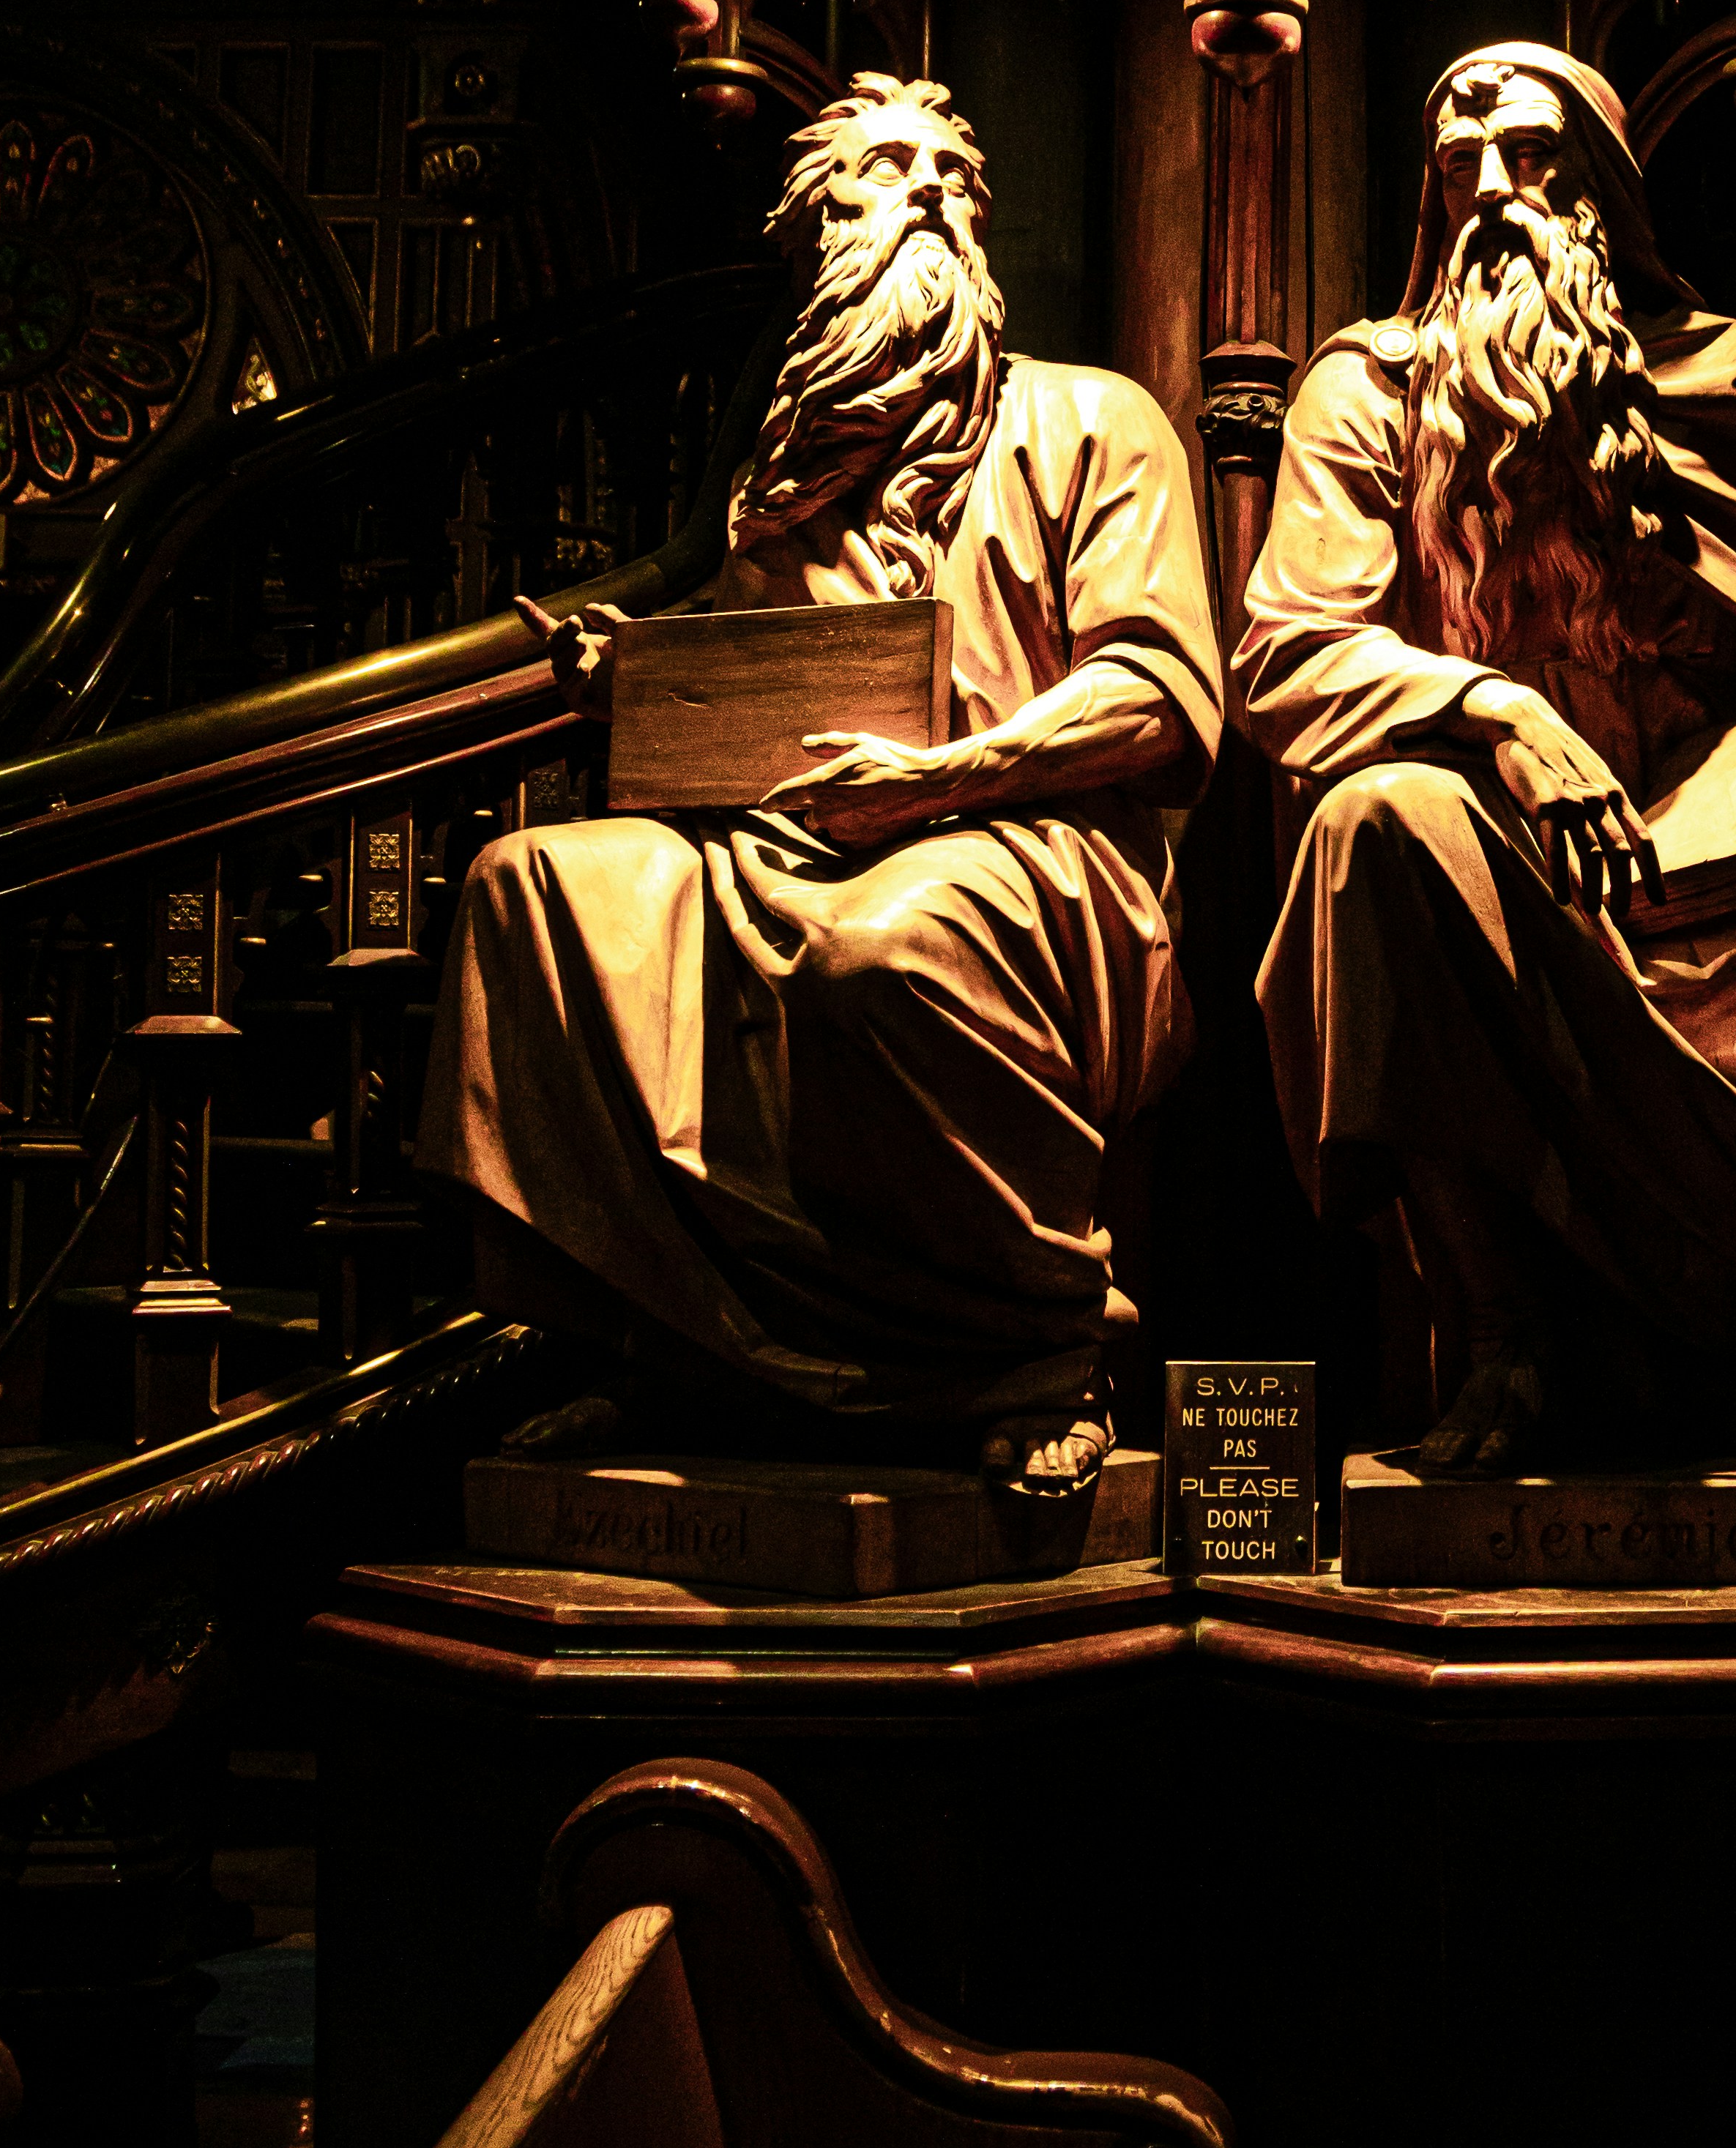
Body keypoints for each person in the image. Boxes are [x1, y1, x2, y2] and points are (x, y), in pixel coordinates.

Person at [417, 75, 1221, 1504]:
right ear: (811, 236)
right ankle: (655, 1343)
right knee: (530, 889)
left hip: (1027, 844)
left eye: (949, 174)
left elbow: (1163, 698)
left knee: (880, 949)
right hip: (777, 843)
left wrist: (941, 779)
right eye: (882, 170)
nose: (926, 190)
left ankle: (1033, 1357)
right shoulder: (781, 476)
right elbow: (751, 702)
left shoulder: (1092, 420)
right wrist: (637, 684)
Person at [1232, 40, 1736, 1468]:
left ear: (1605, 187)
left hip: (1734, 843)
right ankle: (1503, 1341)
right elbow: (1286, 654)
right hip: (1507, 850)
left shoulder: (1725, 373)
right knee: (1375, 824)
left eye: (1531, 155)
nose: (1495, 193)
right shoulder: (1367, 392)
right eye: (1462, 166)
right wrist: (1498, 716)